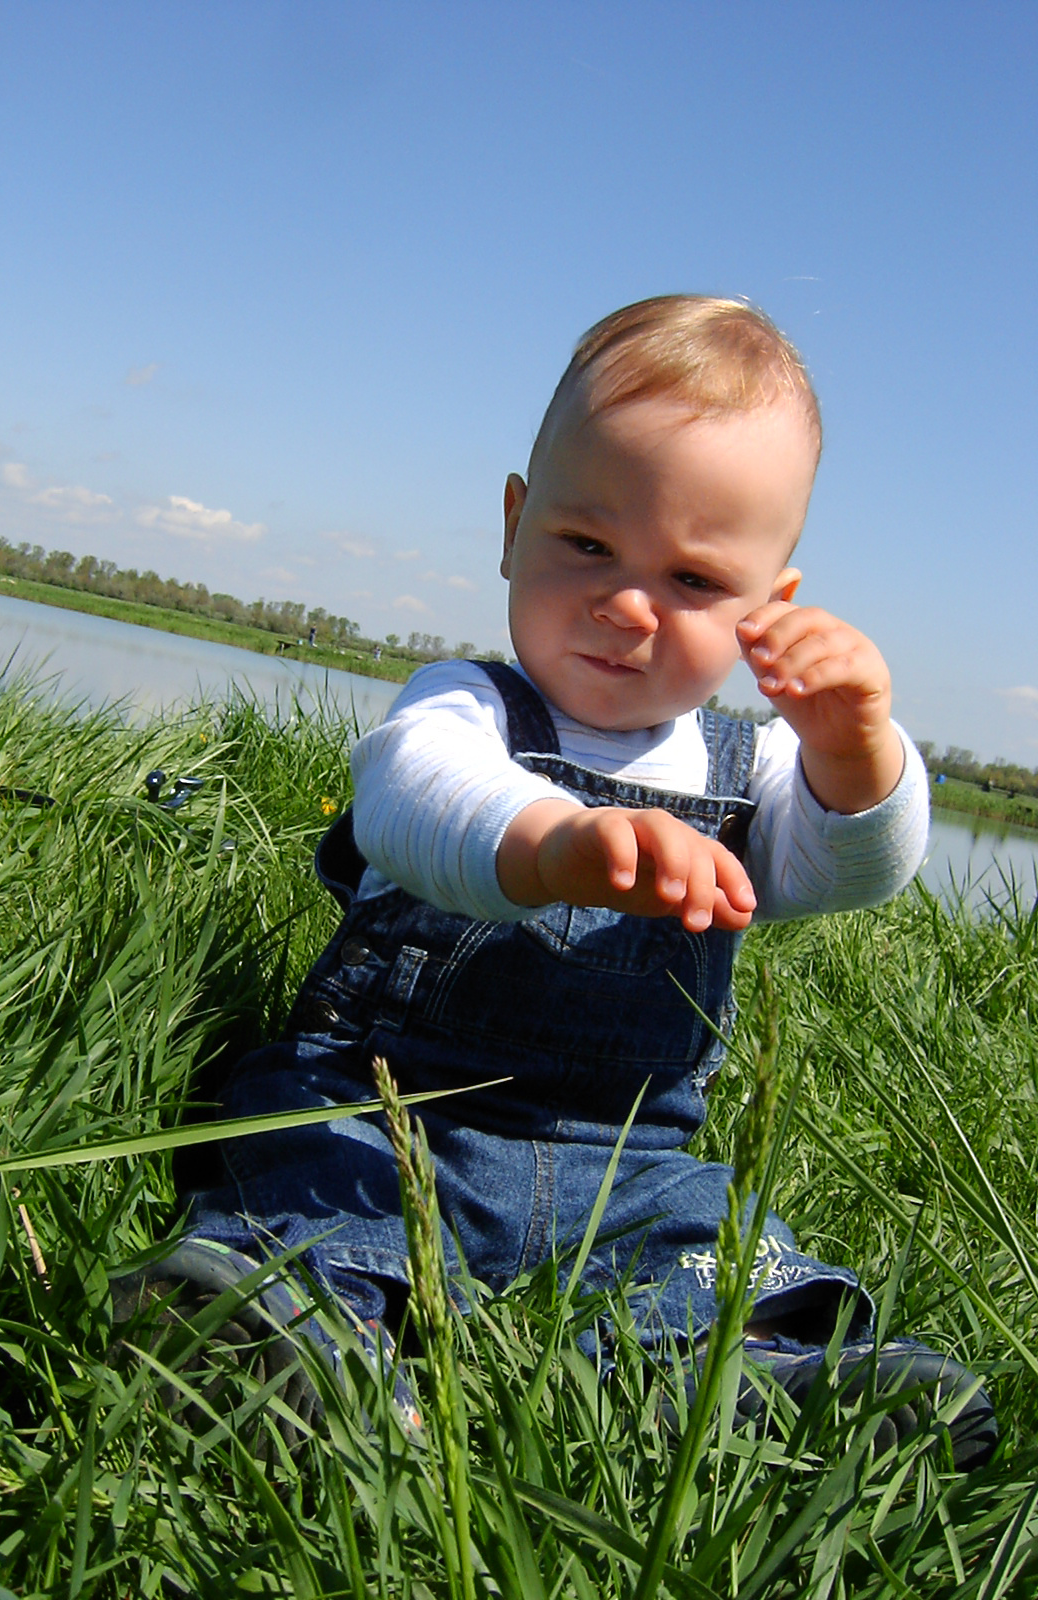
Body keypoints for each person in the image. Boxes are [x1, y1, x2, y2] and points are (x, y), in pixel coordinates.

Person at [114, 296, 995, 1467]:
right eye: (588, 545)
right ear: (516, 526)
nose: (628, 605)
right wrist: (549, 845)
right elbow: (411, 796)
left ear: (766, 611)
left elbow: (849, 868)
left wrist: (853, 748)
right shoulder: (467, 702)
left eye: (691, 578)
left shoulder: (755, 768)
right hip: (393, 1105)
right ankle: (298, 1333)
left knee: (717, 1243)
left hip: (627, 1159)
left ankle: (765, 1382)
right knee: (320, 1172)